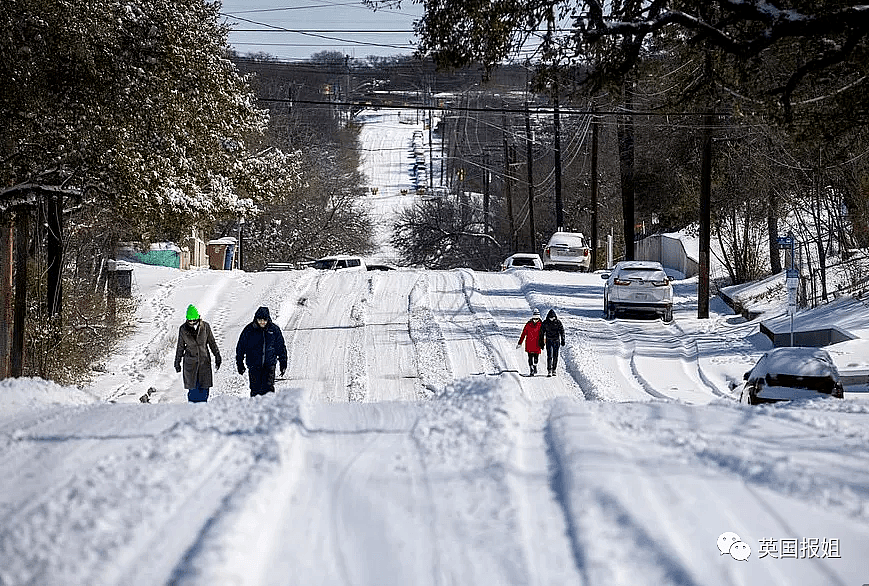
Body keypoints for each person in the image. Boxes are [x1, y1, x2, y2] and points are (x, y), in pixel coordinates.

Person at [236, 306, 288, 397]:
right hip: (254, 365)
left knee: (268, 390)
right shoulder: (249, 330)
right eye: (260, 320)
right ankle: (255, 410)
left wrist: (283, 363)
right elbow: (241, 347)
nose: (262, 322)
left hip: (269, 365)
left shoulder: (274, 330)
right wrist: (240, 364)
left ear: (268, 319)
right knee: (255, 390)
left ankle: (269, 409)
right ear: (256, 319)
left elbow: (280, 347)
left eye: (264, 320)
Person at [174, 304, 221, 403]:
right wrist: (177, 362)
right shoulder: (183, 329)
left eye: (193, 320)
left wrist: (217, 356)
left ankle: (203, 412)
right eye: (189, 320)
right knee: (193, 392)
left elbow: (212, 342)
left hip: (204, 362)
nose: (191, 322)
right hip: (190, 365)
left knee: (204, 390)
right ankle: (193, 412)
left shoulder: (205, 327)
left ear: (198, 318)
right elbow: (180, 347)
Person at [539, 309, 566, 377]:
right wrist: (541, 342)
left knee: (555, 356)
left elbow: (562, 331)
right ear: (548, 317)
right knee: (549, 356)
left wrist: (563, 339)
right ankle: (549, 370)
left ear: (555, 317)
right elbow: (541, 333)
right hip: (549, 341)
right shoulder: (545, 323)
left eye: (553, 317)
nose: (551, 319)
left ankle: (554, 369)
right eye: (550, 317)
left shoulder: (558, 322)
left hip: (556, 341)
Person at [516, 308, 543, 376]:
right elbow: (523, 333)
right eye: (534, 318)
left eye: (537, 319)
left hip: (537, 343)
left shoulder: (541, 325)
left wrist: (543, 342)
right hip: (529, 343)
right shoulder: (528, 324)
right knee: (530, 357)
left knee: (536, 358)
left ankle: (535, 366)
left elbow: (544, 335)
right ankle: (531, 369)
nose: (535, 320)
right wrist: (520, 342)